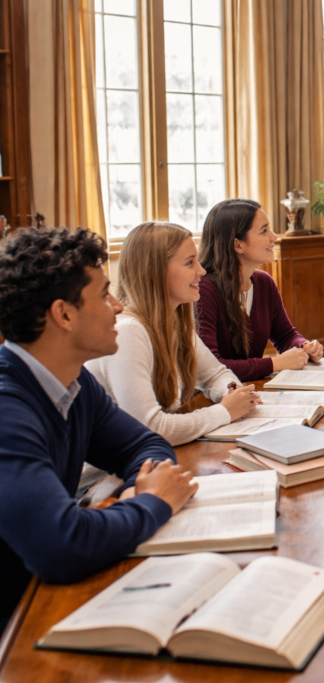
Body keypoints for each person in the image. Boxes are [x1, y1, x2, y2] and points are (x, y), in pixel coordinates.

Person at [0, 227, 198, 632]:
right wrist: (152, 501)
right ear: (64, 315)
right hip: (17, 623)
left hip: (44, 596)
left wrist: (140, 485)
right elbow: (62, 546)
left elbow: (145, 444)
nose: (118, 307)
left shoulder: (74, 381)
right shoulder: (7, 409)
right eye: (105, 294)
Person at [85, 223, 260, 446]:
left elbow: (216, 375)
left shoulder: (174, 324)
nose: (201, 271)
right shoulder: (128, 332)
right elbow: (151, 428)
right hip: (117, 466)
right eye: (189, 262)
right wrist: (225, 411)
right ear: (155, 272)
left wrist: (230, 392)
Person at [195, 198, 324, 382]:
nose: (274, 236)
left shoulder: (264, 283)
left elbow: (286, 336)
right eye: (264, 231)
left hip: (251, 390)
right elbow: (212, 369)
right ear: (238, 245)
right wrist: (275, 364)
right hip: (213, 397)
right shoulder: (203, 292)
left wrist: (303, 346)